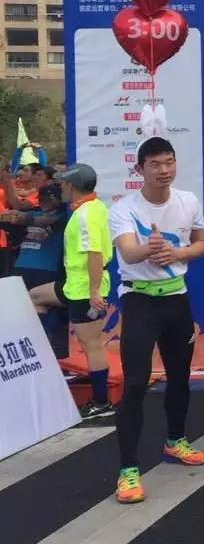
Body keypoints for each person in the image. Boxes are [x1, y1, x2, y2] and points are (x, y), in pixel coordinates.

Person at [107, 135, 204, 503]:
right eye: (155, 164)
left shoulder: (188, 201)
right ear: (140, 169)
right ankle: (128, 470)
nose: (164, 170)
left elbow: (201, 245)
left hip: (177, 299)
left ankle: (175, 441)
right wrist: (147, 249)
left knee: (180, 377)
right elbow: (128, 253)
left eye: (169, 162)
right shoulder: (123, 208)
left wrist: (177, 253)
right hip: (139, 301)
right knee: (135, 383)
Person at [28, 164, 115, 420]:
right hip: (75, 286)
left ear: (73, 185)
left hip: (83, 289)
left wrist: (94, 292)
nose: (61, 187)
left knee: (92, 345)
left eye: (64, 183)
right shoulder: (94, 207)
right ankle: (50, 355)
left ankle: (101, 402)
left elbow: (94, 254)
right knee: (35, 297)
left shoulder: (85, 214)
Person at [3, 183, 68, 351]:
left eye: (49, 199)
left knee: (46, 312)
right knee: (18, 311)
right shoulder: (33, 213)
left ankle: (45, 350)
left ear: (58, 200)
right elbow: (12, 217)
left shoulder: (63, 217)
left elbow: (46, 220)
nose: (45, 202)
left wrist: (24, 218)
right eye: (42, 199)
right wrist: (10, 217)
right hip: (21, 268)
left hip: (47, 271)